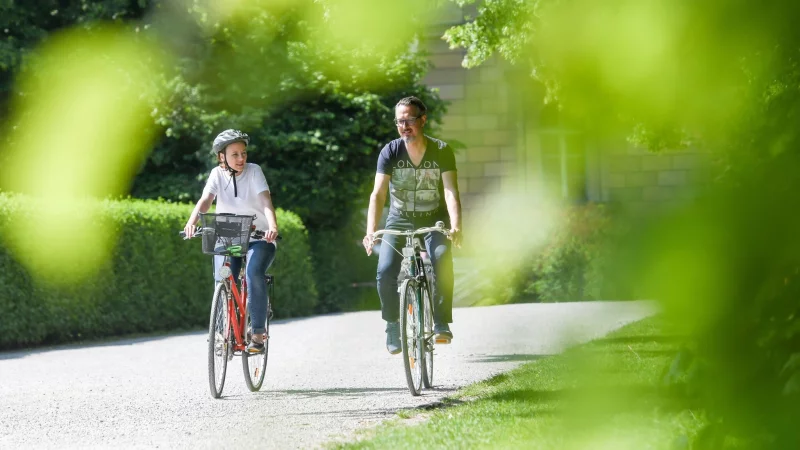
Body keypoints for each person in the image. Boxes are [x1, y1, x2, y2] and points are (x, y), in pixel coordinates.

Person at [363, 96, 463, 355]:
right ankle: (392, 325)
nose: (404, 126)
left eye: (409, 120)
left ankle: (441, 322)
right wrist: (371, 231)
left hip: (434, 218)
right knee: (385, 271)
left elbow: (451, 191)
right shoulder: (391, 151)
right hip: (399, 218)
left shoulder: (441, 150)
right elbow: (378, 195)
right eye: (399, 121)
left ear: (422, 120)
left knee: (441, 258)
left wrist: (456, 226)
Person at [184, 129, 279, 353]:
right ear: (222, 156)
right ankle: (223, 331)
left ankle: (257, 333)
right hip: (229, 235)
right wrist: (191, 222)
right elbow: (206, 200)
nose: (241, 159)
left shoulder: (254, 171)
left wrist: (273, 226)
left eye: (243, 153)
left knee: (252, 272)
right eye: (234, 154)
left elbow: (265, 200)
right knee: (222, 278)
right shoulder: (217, 174)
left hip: (259, 236)